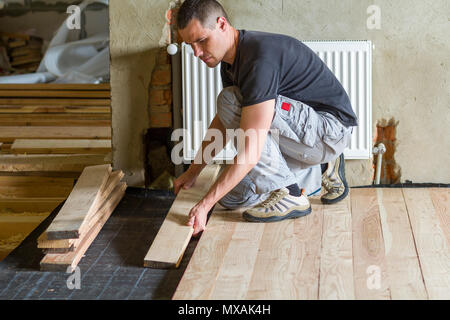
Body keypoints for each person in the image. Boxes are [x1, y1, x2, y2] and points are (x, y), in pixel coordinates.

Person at [174, 0, 358, 236]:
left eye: (201, 40)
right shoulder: (229, 62)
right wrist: (193, 172)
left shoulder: (258, 58)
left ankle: (291, 193)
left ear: (222, 24)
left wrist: (205, 204)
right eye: (191, 45)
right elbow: (224, 122)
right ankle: (319, 168)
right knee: (231, 198)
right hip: (301, 136)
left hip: (329, 131)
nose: (197, 53)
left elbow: (251, 148)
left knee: (229, 100)